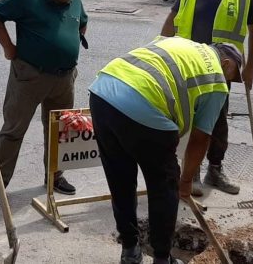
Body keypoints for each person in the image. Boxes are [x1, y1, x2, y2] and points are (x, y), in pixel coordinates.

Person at [89, 37, 244, 264]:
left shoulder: (181, 44)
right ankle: (162, 257)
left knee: (120, 178)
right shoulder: (216, 81)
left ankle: (130, 251)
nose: (230, 83)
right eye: (234, 77)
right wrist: (186, 181)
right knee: (164, 186)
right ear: (227, 64)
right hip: (143, 105)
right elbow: (200, 139)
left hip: (103, 92)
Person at [160, 0, 253, 196]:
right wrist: (161, 50)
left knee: (217, 120)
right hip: (186, 64)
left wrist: (249, 68)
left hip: (220, 69)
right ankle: (190, 172)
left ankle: (214, 169)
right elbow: (172, 20)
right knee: (186, 117)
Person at [0, 0, 88, 207]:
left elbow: (82, 22)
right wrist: (9, 48)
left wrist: (68, 47)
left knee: (59, 130)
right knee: (13, 130)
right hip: (30, 75)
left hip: (64, 78)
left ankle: (55, 176)